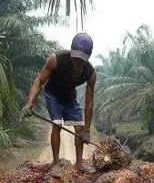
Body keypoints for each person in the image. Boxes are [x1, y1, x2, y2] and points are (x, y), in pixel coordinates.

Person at [20, 33, 97, 172]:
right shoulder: (56, 60)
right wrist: (29, 103)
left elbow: (89, 102)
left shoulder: (90, 73)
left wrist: (87, 129)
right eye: (76, 58)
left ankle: (79, 164)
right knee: (57, 124)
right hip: (53, 95)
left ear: (88, 57)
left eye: (82, 60)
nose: (78, 62)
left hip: (70, 98)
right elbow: (39, 82)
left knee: (79, 128)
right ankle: (56, 163)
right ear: (71, 52)